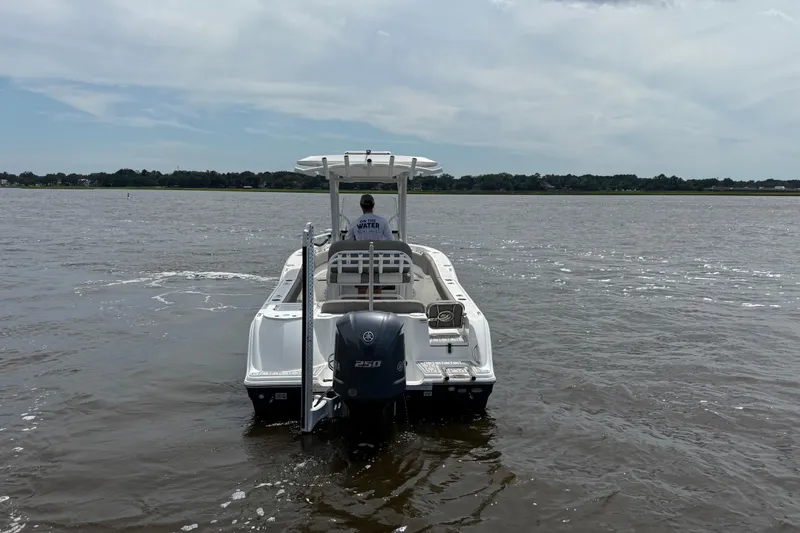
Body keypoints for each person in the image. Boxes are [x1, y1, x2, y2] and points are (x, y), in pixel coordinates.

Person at [344, 194, 393, 297]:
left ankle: (361, 301)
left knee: (361, 288)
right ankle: (377, 302)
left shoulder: (355, 223)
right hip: (378, 262)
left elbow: (347, 241)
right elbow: (390, 240)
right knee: (377, 287)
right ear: (373, 205)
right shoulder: (383, 222)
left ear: (361, 206)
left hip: (361, 262)